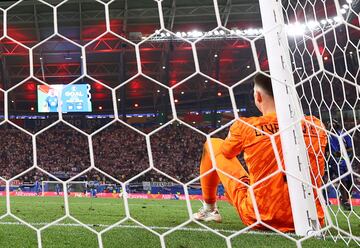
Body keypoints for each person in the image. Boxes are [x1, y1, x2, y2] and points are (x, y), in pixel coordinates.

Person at [193, 73, 328, 232]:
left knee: (213, 144)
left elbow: (226, 153)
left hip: (260, 217)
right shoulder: (315, 124)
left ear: (257, 96)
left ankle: (209, 208)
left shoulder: (246, 126)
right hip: (311, 218)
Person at [327, 119, 353, 210]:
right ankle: (345, 201)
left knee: (350, 181)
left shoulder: (343, 135)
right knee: (343, 180)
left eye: (333, 124)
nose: (331, 126)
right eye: (330, 125)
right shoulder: (327, 137)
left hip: (346, 161)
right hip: (333, 161)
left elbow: (351, 148)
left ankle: (344, 198)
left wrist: (341, 152)